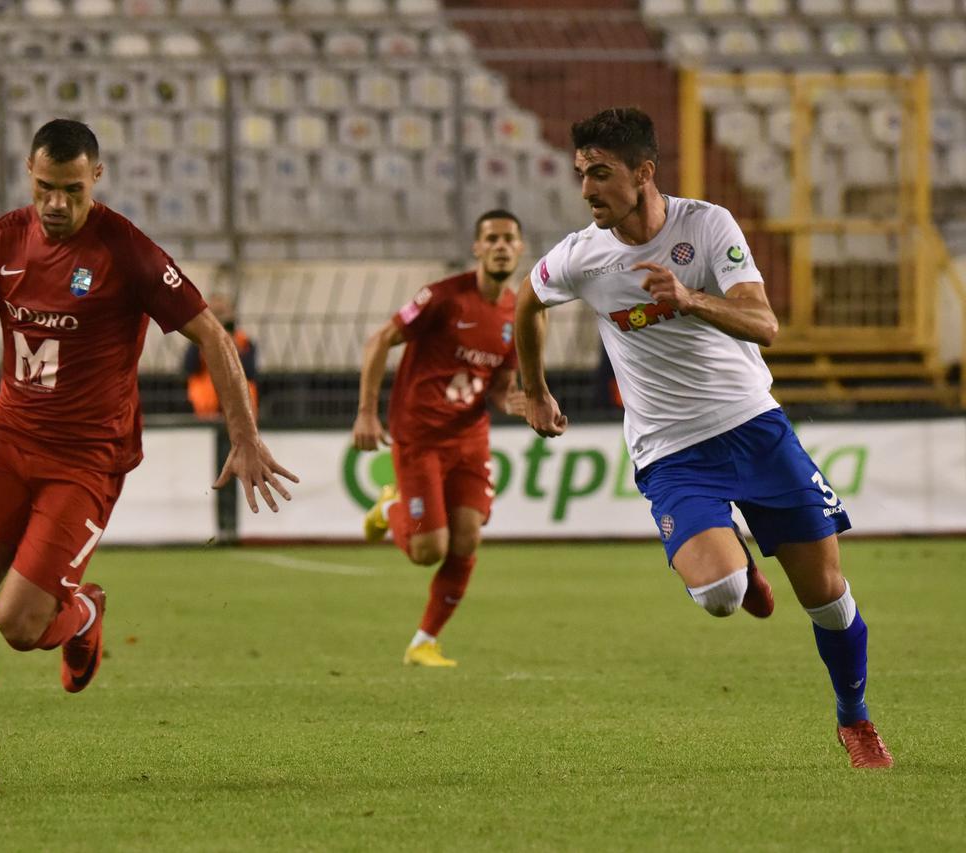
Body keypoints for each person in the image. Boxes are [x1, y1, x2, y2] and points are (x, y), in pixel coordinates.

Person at [0, 119, 297, 787]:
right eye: (44, 188)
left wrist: (244, 435)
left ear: (96, 177)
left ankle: (84, 610)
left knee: (17, 620)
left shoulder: (128, 252)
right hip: (8, 436)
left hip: (85, 457)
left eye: (70, 189)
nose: (56, 203)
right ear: (29, 176)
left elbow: (211, 333)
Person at [514, 107, 892, 769]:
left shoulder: (707, 226)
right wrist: (536, 389)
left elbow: (764, 322)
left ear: (643, 173)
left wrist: (688, 298)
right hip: (671, 451)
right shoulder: (582, 256)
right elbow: (526, 302)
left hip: (755, 429)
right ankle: (740, 567)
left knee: (829, 599)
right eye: (581, 175)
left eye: (599, 174)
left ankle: (853, 718)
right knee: (719, 596)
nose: (587, 191)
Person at [352, 210, 527, 668]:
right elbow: (379, 341)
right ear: (477, 248)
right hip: (420, 438)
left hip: (470, 439)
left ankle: (423, 642)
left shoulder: (515, 314)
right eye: (492, 238)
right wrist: (367, 413)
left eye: (509, 238)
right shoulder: (443, 297)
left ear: (521, 248)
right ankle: (391, 509)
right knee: (429, 551)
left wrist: (521, 405)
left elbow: (499, 392)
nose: (501, 246)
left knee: (467, 539)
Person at [183, 292, 258, 420]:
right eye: (214, 312)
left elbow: (250, 372)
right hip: (205, 407)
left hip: (238, 405)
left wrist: (232, 349)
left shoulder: (243, 341)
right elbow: (189, 367)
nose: (218, 318)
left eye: (221, 312)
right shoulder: (198, 339)